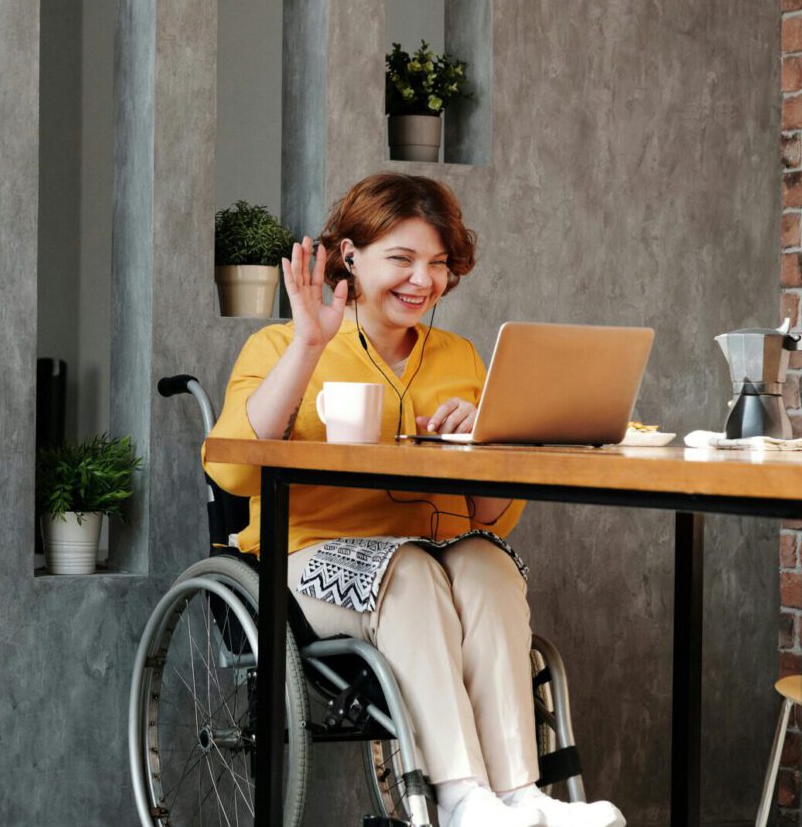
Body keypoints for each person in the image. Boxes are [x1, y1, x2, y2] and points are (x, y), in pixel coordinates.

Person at [202, 173, 624, 827]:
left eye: (437, 263)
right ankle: (461, 796)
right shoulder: (280, 345)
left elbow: (491, 515)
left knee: (489, 563)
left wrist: (480, 444)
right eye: (401, 258)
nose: (422, 281)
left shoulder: (461, 357)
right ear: (350, 255)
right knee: (414, 570)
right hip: (305, 563)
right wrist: (309, 345)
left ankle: (519, 796)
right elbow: (232, 470)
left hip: (444, 553)